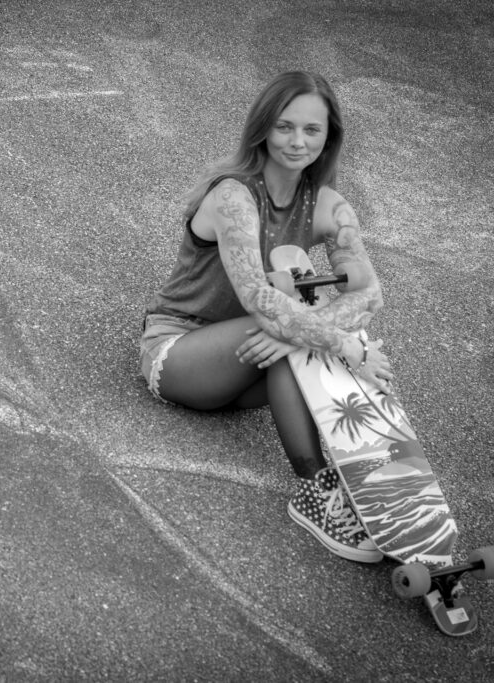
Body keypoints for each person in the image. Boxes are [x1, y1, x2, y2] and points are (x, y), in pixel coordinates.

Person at [140, 71, 395, 563]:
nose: (297, 142)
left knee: (300, 327)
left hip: (252, 361)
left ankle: (367, 473)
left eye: (311, 130)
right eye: (284, 127)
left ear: (329, 136)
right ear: (263, 128)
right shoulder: (233, 196)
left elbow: (370, 293)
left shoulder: (329, 206)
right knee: (302, 326)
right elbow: (259, 298)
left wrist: (303, 334)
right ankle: (315, 491)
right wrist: (343, 343)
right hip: (181, 353)